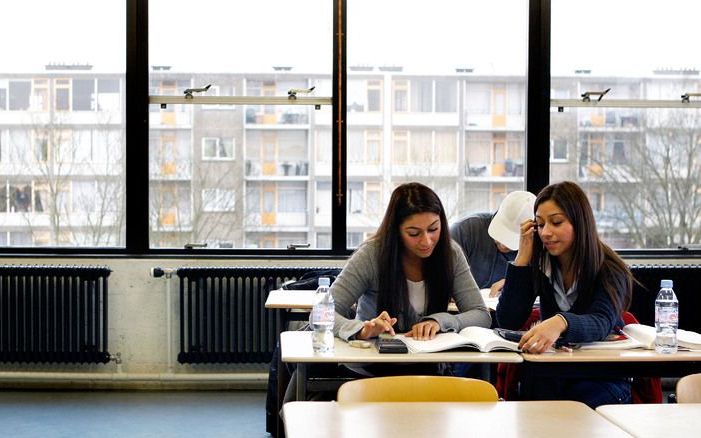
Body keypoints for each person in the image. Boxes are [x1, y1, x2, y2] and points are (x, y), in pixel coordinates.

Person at [495, 180, 633, 408]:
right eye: (539, 224)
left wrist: (560, 322)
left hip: (599, 377)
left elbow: (601, 321)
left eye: (556, 222)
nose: (546, 232)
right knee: (533, 399)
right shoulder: (542, 264)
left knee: (573, 405)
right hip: (554, 371)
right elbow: (508, 318)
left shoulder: (609, 268)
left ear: (580, 223)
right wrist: (522, 259)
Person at [333, 182, 491, 344]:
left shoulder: (451, 254)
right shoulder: (371, 255)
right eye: (414, 233)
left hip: (430, 364)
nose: (427, 241)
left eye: (433, 229)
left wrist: (440, 322)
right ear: (396, 231)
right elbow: (322, 313)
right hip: (371, 364)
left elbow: (481, 315)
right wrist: (362, 330)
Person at [450, 191, 536, 297]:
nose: (504, 245)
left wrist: (514, 282)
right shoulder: (465, 231)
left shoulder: (536, 247)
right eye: (501, 233)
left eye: (512, 240)